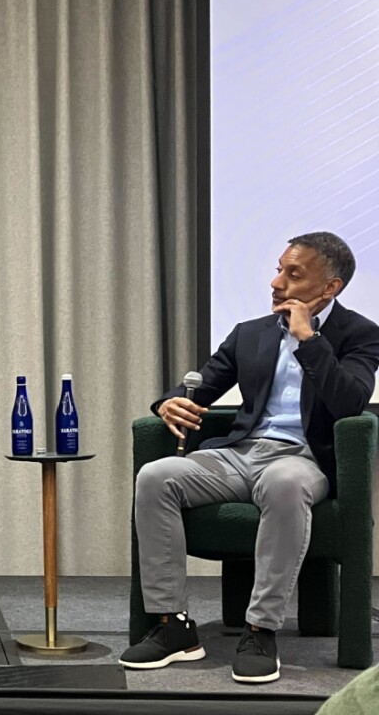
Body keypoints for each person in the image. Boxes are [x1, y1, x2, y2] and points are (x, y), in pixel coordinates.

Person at [121, 232, 379, 683]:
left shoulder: (359, 334)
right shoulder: (251, 333)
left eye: (293, 273)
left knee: (284, 484)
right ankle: (172, 625)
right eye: (279, 268)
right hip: (240, 454)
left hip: (302, 459)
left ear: (329, 288)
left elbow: (350, 403)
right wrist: (168, 402)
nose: (277, 282)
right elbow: (201, 383)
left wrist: (308, 340)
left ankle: (261, 629)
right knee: (156, 476)